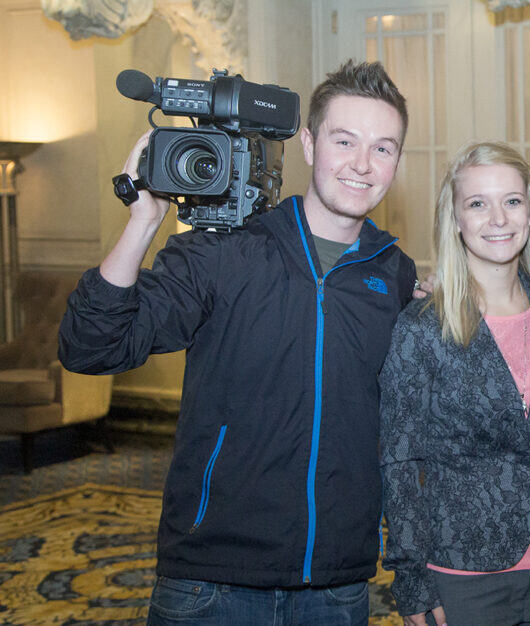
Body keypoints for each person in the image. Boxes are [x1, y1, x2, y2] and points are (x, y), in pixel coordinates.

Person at [58, 60, 418, 625]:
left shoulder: (394, 273)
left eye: (383, 148)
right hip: (210, 582)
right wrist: (141, 225)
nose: (361, 165)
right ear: (308, 144)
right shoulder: (223, 253)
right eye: (344, 141)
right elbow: (90, 347)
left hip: (336, 583)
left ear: (397, 160)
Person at [380, 142, 530, 626]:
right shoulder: (421, 327)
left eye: (512, 201)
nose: (498, 218)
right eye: (478, 203)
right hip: (461, 569)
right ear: (455, 219)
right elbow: (398, 461)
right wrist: (410, 577)